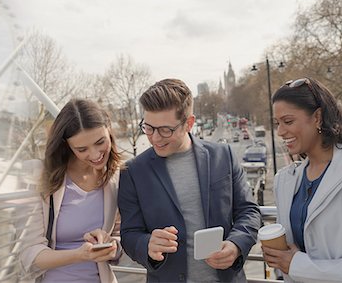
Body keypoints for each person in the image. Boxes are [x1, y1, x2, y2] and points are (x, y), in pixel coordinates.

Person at [118, 79, 261, 282]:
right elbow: (129, 234)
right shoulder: (132, 172)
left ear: (189, 124)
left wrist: (237, 244)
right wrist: (147, 244)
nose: (155, 138)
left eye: (165, 130)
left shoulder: (224, 156)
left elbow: (249, 211)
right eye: (148, 127)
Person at [263, 77, 342, 282]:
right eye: (277, 123)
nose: (280, 131)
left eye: (288, 121)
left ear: (317, 117)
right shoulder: (285, 181)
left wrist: (297, 265)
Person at [20, 99, 122, 283]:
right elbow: (30, 253)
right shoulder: (41, 176)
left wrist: (111, 246)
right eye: (82, 149)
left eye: (100, 142)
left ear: (109, 131)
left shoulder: (115, 177)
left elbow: (118, 238)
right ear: (67, 145)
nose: (95, 154)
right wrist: (80, 255)